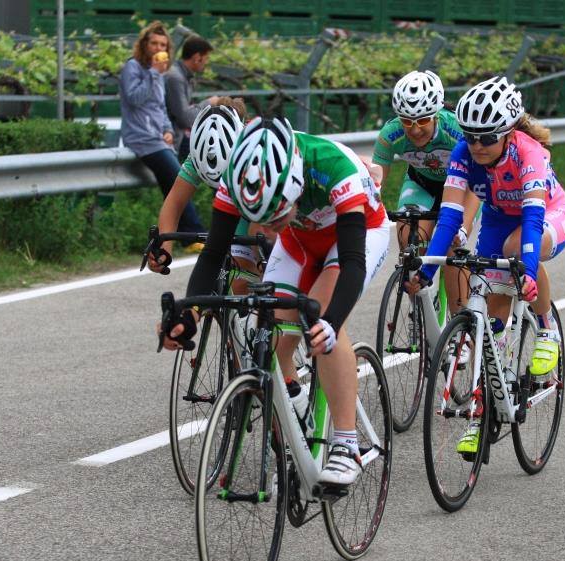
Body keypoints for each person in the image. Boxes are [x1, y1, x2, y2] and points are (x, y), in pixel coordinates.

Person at [159, 116, 390, 487]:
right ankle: (297, 411)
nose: (265, 230)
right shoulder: (239, 176)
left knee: (322, 322)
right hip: (299, 240)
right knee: (264, 328)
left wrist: (329, 321)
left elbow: (351, 264)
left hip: (356, 238)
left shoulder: (333, 168)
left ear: (296, 185)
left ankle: (347, 443)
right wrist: (190, 313)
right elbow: (214, 252)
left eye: (276, 215)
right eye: (258, 220)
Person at [405, 76, 565, 456]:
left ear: (508, 133)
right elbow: (449, 217)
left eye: (486, 138)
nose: (476, 145)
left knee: (515, 252)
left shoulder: (529, 153)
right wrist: (427, 272)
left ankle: (547, 330)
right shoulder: (463, 153)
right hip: (498, 218)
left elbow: (532, 222)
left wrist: (528, 274)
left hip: (546, 215)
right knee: (492, 324)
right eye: (470, 136)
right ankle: (484, 414)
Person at [371, 70, 480, 312]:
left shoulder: (455, 130)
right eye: (407, 121)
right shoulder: (390, 134)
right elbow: (376, 182)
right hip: (421, 184)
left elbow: (476, 184)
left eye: (422, 121)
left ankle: (459, 327)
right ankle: (421, 307)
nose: (415, 129)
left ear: (436, 116)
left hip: (462, 186)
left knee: (453, 248)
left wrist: (465, 226)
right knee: (407, 236)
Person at [148, 97, 266, 292]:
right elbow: (174, 204)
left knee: (254, 273)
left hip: (261, 207)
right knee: (224, 276)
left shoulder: (257, 147)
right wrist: (164, 247)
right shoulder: (201, 151)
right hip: (230, 207)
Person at [119, 20, 202, 235]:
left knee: (172, 186)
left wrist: (166, 129)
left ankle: (178, 234)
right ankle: (193, 233)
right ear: (145, 45)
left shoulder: (157, 73)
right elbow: (134, 98)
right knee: (179, 180)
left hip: (158, 138)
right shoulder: (133, 67)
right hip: (141, 138)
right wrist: (154, 73)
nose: (158, 48)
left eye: (163, 45)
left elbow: (159, 107)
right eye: (154, 43)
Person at [165, 34, 214, 162]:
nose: (206, 62)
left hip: (178, 139)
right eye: (206, 58)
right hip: (171, 142)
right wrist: (210, 103)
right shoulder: (176, 78)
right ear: (197, 58)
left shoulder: (184, 75)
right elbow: (185, 118)